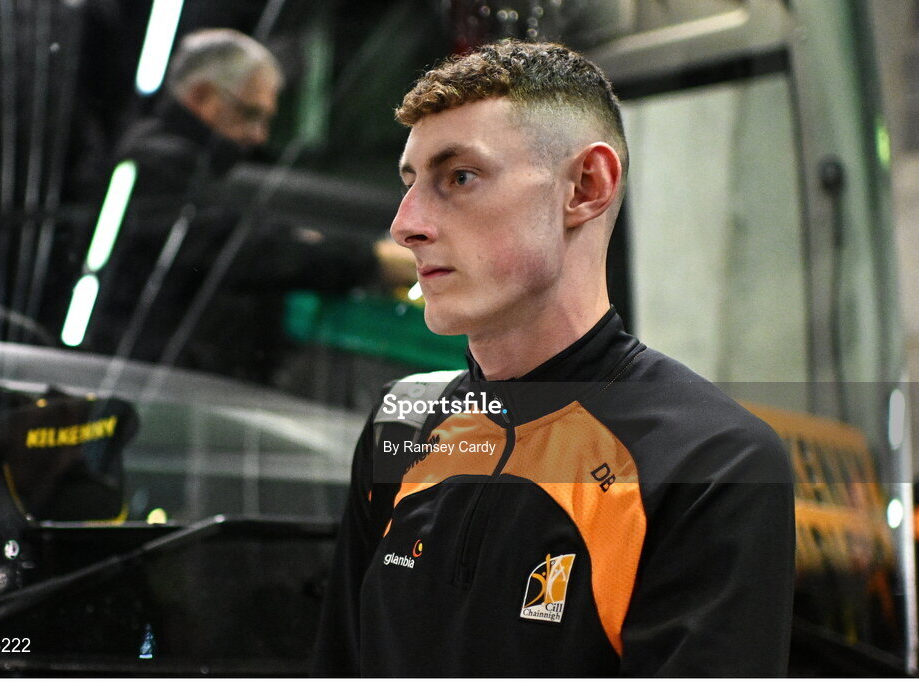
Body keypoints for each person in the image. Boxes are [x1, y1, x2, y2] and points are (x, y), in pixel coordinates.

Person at [311, 40, 795, 676]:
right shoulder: (401, 423)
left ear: (585, 188)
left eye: (459, 177)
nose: (406, 225)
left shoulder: (708, 461)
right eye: (410, 184)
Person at [88, 28, 415, 381]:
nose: (259, 135)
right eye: (249, 114)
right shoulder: (157, 163)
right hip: (147, 376)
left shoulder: (167, 157)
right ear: (201, 95)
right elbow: (234, 250)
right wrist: (368, 260)